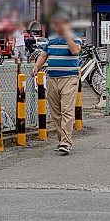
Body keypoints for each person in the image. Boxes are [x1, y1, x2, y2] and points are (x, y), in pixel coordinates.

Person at [32, 14, 82, 155]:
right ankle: (62, 141)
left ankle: (66, 142)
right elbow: (44, 54)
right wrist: (37, 66)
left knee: (67, 110)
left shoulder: (75, 36)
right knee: (56, 112)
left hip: (69, 78)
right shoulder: (52, 39)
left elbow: (75, 51)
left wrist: (67, 36)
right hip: (52, 78)